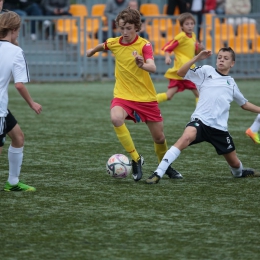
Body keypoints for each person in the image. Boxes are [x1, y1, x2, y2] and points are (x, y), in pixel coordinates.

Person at [86, 7, 182, 181]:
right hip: (123, 96)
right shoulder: (114, 43)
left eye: (128, 28)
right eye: (122, 28)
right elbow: (103, 45)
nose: (124, 32)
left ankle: (165, 166)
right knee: (116, 118)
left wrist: (141, 65)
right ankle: (136, 159)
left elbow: (152, 67)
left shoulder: (144, 45)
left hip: (146, 98)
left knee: (159, 138)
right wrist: (92, 51)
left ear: (137, 28)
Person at [146, 47, 260, 184]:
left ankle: (240, 172)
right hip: (200, 122)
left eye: (226, 58)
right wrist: (197, 58)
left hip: (219, 129)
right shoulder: (206, 71)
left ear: (232, 63)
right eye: (219, 57)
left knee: (235, 165)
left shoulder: (232, 83)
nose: (221, 60)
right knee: (185, 137)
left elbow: (244, 104)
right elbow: (180, 72)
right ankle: (158, 172)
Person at [0, 11, 42, 191]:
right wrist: (32, 103)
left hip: (2, 109)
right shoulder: (16, 52)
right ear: (14, 30)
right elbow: (19, 85)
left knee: (18, 137)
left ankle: (13, 182)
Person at [156, 12, 203, 105]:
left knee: (199, 95)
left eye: (192, 23)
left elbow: (195, 53)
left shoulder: (193, 36)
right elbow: (167, 47)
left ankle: (200, 115)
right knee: (169, 96)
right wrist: (167, 57)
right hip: (180, 71)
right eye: (187, 24)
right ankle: (148, 103)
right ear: (182, 26)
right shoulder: (181, 37)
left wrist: (200, 48)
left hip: (189, 70)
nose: (190, 26)